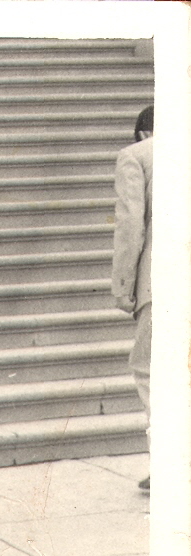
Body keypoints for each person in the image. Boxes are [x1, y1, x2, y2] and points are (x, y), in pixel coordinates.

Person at [111, 104, 154, 492]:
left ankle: (169, 463)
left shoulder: (136, 156)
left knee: (150, 371)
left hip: (161, 283)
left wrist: (123, 287)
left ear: (142, 134)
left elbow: (130, 228)